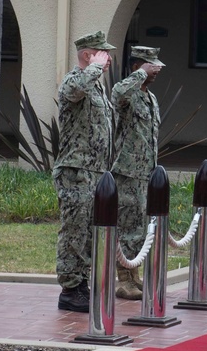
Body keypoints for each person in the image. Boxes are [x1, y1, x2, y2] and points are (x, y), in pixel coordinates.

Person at [53, 31, 116, 312]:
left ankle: (82, 284)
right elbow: (73, 91)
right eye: (103, 53)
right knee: (74, 232)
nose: (109, 58)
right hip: (76, 171)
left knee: (88, 233)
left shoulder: (97, 86)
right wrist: (94, 67)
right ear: (89, 55)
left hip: (95, 172)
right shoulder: (74, 79)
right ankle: (70, 288)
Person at [110, 46, 164, 300]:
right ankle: (123, 277)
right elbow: (118, 93)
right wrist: (140, 74)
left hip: (146, 172)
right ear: (136, 67)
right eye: (149, 65)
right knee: (127, 224)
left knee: (140, 226)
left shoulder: (150, 98)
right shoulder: (128, 94)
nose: (156, 70)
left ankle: (134, 274)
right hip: (128, 171)